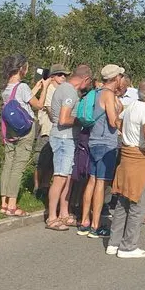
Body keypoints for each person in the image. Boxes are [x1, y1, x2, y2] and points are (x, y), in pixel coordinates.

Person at [107, 76, 145, 259]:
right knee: (138, 203)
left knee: (123, 200)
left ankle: (114, 243)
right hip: (139, 157)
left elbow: (117, 121)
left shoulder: (132, 107)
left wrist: (125, 136)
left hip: (126, 154)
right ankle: (128, 246)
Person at [46, 64, 92, 231]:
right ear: (85, 79)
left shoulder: (65, 88)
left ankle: (64, 213)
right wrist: (82, 120)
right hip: (63, 138)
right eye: (89, 83)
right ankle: (52, 217)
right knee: (59, 177)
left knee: (66, 178)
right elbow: (64, 119)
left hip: (68, 138)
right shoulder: (70, 92)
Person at [81, 64, 124, 237]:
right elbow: (113, 122)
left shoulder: (97, 92)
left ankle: (84, 221)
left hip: (93, 140)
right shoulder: (107, 94)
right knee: (101, 182)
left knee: (91, 181)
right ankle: (95, 225)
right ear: (115, 78)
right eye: (120, 76)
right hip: (106, 143)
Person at [0, 54, 40, 215]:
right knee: (19, 166)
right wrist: (43, 89)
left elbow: (21, 99)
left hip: (9, 129)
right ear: (21, 68)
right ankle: (12, 205)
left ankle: (3, 203)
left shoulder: (5, 87)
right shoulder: (23, 87)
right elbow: (38, 104)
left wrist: (35, 88)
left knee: (8, 163)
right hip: (25, 129)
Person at [30, 70, 56, 197]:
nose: (63, 78)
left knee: (51, 162)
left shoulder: (60, 90)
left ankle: (45, 186)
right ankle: (37, 186)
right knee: (41, 161)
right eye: (59, 75)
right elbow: (49, 111)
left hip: (55, 131)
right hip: (46, 129)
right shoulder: (49, 89)